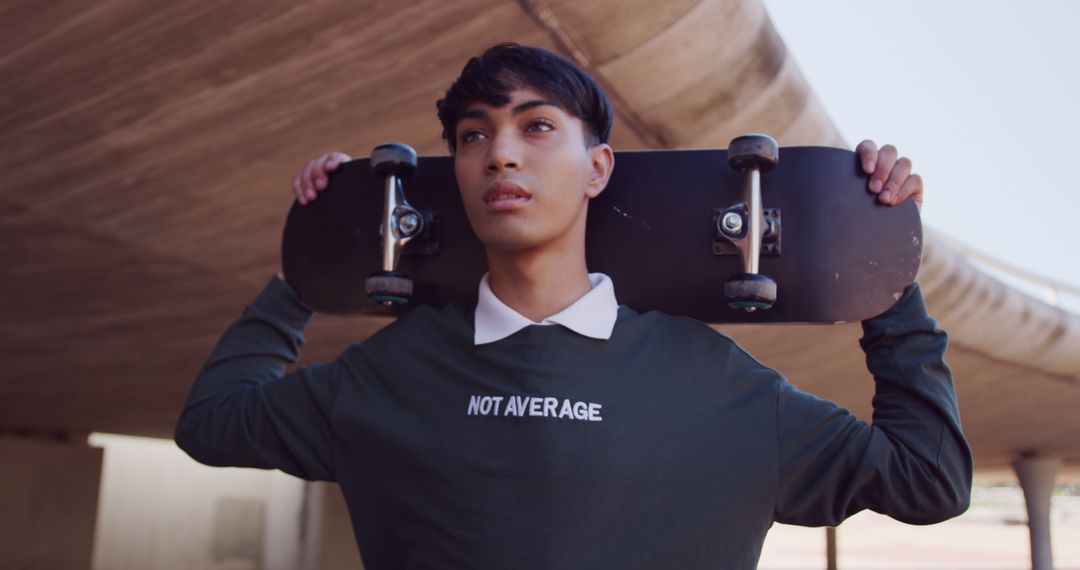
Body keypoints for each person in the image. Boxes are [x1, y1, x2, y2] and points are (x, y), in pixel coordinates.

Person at [175, 43, 972, 569]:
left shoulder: (719, 385)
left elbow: (928, 481)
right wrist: (316, 257)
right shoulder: (386, 374)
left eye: (537, 126)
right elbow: (210, 423)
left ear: (597, 168)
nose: (503, 153)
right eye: (473, 136)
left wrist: (881, 272)